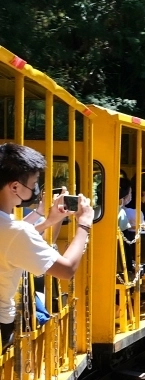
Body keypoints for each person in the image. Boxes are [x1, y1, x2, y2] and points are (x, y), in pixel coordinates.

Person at [0, 143, 94, 349]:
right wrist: (84, 224)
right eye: (33, 184)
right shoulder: (15, 231)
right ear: (15, 187)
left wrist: (48, 221)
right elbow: (66, 269)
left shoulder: (12, 228)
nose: (34, 190)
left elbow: (12, 239)